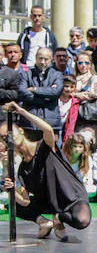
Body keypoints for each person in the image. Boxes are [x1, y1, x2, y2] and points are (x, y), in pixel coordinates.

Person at [1, 101, 91, 240]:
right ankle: (43, 223)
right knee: (13, 205)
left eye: (9, 133)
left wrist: (22, 111)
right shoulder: (22, 170)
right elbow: (24, 201)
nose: (8, 138)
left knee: (82, 221)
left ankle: (58, 218)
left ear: (20, 131)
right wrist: (12, 189)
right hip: (50, 203)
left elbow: (48, 130)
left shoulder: (45, 146)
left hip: (71, 197)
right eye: (3, 138)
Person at [17, 46, 63, 136]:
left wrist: (34, 89)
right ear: (35, 58)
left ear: (51, 60)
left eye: (46, 59)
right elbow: (22, 92)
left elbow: (56, 92)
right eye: (40, 58)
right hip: (29, 123)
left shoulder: (57, 75)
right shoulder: (26, 74)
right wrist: (45, 99)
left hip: (51, 124)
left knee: (50, 150)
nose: (42, 62)